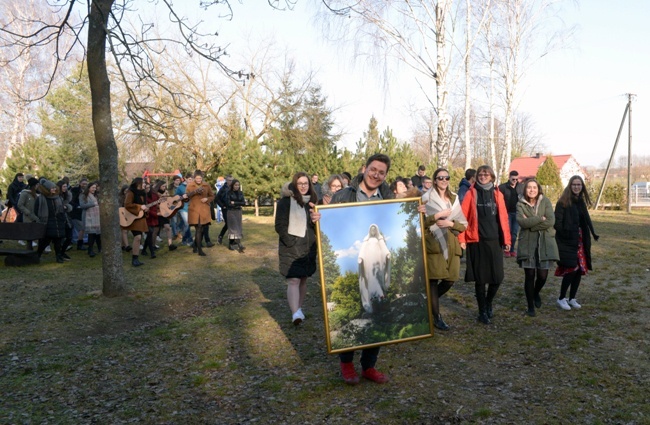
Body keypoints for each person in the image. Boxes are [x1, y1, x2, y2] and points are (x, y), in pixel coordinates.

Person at [312, 153, 424, 385]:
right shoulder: (344, 195)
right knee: (364, 297)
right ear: (365, 169)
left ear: (385, 175)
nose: (376, 175)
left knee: (379, 305)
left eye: (381, 172)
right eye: (373, 170)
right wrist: (319, 220)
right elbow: (331, 225)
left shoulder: (388, 197)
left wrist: (417, 215)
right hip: (364, 268)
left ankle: (369, 366)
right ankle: (347, 364)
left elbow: (392, 229)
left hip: (379, 267)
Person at [459, 165, 510, 325]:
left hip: (494, 240)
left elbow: (504, 218)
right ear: (476, 176)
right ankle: (482, 311)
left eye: (486, 174)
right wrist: (462, 239)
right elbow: (462, 217)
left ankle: (489, 303)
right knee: (480, 279)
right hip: (477, 241)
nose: (483, 176)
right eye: (480, 174)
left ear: (492, 177)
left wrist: (507, 240)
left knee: (497, 277)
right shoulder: (471, 193)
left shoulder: (497, 194)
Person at [422, 168, 467, 330]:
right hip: (433, 243)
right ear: (434, 180)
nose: (443, 180)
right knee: (433, 280)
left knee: (450, 279)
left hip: (450, 243)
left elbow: (463, 225)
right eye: (440, 178)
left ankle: (426, 303)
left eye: (446, 178)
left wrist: (450, 224)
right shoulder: (425, 199)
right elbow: (419, 223)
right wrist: (435, 216)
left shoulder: (453, 199)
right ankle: (436, 316)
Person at [275, 172, 318, 327]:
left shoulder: (312, 202)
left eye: (306, 183)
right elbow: (279, 225)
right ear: (294, 184)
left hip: (308, 247)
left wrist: (316, 220)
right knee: (294, 279)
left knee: (304, 279)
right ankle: (295, 313)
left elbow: (316, 226)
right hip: (291, 247)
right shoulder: (285, 202)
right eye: (300, 183)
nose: (303, 186)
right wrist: (290, 241)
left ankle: (298, 308)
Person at [554, 175, 599, 311]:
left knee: (579, 270)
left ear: (582, 186)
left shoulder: (581, 202)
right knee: (571, 269)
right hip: (567, 241)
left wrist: (590, 233)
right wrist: (567, 233)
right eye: (574, 184)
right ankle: (561, 298)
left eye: (579, 185)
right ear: (570, 185)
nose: (576, 187)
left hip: (581, 240)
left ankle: (572, 298)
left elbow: (585, 221)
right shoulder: (563, 202)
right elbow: (557, 223)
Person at [516, 179, 559, 317]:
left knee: (542, 275)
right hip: (527, 244)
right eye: (529, 187)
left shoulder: (545, 201)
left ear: (538, 189)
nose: (532, 190)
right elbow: (521, 222)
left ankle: (535, 293)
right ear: (525, 189)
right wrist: (540, 219)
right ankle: (530, 306)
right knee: (529, 275)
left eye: (534, 187)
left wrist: (531, 224)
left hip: (544, 243)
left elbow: (551, 221)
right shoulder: (520, 203)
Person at [34, 179, 68, 264]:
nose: (54, 190)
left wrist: (64, 213)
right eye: (52, 188)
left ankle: (58, 256)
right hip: (47, 222)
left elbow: (62, 209)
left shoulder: (58, 198)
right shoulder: (41, 199)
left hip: (58, 221)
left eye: (54, 188)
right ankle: (38, 255)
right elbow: (36, 211)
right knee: (45, 241)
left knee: (58, 240)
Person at [183, 170, 215, 256]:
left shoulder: (206, 185)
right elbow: (186, 197)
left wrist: (207, 199)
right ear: (194, 178)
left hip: (204, 210)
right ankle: (199, 249)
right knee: (198, 229)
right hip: (194, 210)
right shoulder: (190, 185)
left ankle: (195, 246)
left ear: (202, 178)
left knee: (202, 229)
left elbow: (212, 196)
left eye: (200, 178)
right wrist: (191, 193)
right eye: (197, 178)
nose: (198, 180)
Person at [123, 177, 149, 267]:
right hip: (132, 217)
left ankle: (136, 258)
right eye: (143, 183)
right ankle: (134, 259)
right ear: (138, 184)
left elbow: (144, 205)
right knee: (137, 237)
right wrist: (139, 207)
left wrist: (146, 209)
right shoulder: (130, 192)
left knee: (139, 238)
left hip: (140, 217)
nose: (145, 184)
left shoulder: (143, 193)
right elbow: (127, 204)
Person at [498, 170, 523, 257]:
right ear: (509, 178)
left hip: (517, 213)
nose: (515, 181)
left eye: (516, 179)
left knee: (514, 232)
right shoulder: (502, 187)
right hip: (506, 213)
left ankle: (512, 249)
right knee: (506, 231)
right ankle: (506, 249)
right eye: (513, 179)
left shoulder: (521, 187)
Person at [16, 178, 40, 248]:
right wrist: (27, 212)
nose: (38, 186)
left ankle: (32, 241)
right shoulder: (25, 193)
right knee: (28, 229)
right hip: (28, 215)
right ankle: (28, 242)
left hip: (34, 215)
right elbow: (20, 204)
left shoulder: (35, 194)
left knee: (33, 229)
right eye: (37, 185)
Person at [79, 181, 101, 258]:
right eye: (93, 188)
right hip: (88, 217)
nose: (94, 189)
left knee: (98, 234)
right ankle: (90, 250)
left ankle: (100, 248)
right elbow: (82, 205)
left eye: (95, 188)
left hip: (97, 217)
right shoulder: (83, 195)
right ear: (89, 188)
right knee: (91, 234)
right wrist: (93, 204)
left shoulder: (96, 195)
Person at [154, 181, 177, 252]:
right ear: (159, 186)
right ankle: (152, 244)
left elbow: (169, 202)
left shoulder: (166, 193)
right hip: (158, 213)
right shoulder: (155, 194)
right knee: (156, 230)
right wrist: (164, 195)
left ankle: (170, 245)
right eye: (163, 186)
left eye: (165, 186)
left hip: (165, 213)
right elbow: (156, 203)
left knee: (168, 227)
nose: (164, 188)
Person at [226, 179, 246, 252]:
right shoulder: (229, 193)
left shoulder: (240, 193)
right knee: (233, 228)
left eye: (238, 185)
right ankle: (237, 244)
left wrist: (234, 202)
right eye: (235, 185)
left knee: (238, 227)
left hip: (238, 212)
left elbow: (243, 203)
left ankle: (234, 243)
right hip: (231, 212)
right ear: (233, 185)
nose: (237, 186)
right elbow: (228, 203)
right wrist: (237, 203)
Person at [175, 174, 194, 246]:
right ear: (185, 179)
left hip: (191, 208)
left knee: (186, 225)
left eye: (192, 179)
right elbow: (175, 197)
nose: (191, 181)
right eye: (189, 179)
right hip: (183, 208)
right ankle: (190, 240)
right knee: (187, 223)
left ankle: (184, 239)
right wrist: (182, 196)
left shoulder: (193, 187)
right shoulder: (180, 187)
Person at [70, 178, 89, 250]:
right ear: (80, 183)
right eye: (83, 184)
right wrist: (77, 206)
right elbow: (71, 200)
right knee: (82, 228)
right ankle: (79, 243)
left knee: (83, 228)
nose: (84, 185)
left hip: (83, 211)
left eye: (85, 184)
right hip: (76, 212)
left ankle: (81, 242)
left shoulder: (87, 191)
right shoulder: (75, 190)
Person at [56, 180, 74, 258]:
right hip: (58, 218)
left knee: (69, 237)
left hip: (66, 217)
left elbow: (69, 206)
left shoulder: (66, 195)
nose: (65, 188)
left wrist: (67, 207)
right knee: (59, 238)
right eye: (63, 186)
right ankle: (59, 254)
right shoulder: (55, 196)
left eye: (66, 186)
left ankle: (62, 252)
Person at [216, 175, 233, 245]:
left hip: (233, 209)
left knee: (230, 224)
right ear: (226, 180)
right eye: (229, 180)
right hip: (225, 209)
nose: (231, 182)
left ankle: (220, 236)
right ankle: (231, 241)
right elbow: (217, 198)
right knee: (229, 224)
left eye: (232, 180)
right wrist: (222, 206)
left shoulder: (234, 188)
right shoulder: (223, 189)